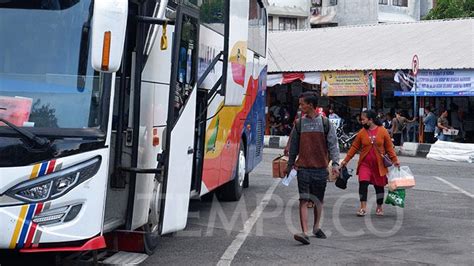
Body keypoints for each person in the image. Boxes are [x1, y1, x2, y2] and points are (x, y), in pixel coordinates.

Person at [286, 92, 340, 245]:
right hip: (303, 168)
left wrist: (335, 164)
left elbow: (333, 145)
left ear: (310, 105)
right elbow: (294, 147)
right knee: (303, 200)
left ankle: (316, 227)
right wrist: (290, 165)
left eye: (302, 104)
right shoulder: (299, 124)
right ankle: (304, 232)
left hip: (320, 169)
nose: (300, 106)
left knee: (318, 200)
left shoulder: (325, 123)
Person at [340, 110, 400, 217]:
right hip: (365, 164)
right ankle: (363, 207)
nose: (361, 121)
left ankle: (379, 207)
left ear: (371, 120)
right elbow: (354, 147)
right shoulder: (362, 132)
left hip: (379, 165)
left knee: (379, 186)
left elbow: (389, 147)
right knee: (363, 183)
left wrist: (395, 160)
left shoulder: (383, 131)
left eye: (363, 119)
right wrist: (346, 160)